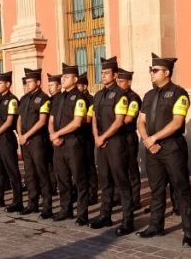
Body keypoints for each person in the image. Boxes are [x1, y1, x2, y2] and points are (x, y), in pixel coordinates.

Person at [136, 53, 191, 247]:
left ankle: (189, 232)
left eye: (155, 71)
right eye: (151, 70)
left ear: (167, 72)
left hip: (172, 147)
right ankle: (156, 225)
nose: (151, 74)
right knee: (156, 189)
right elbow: (141, 121)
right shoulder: (149, 95)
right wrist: (147, 140)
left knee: (181, 189)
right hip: (152, 149)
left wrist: (155, 138)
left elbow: (177, 122)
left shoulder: (179, 93)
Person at [89, 57, 131, 232]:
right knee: (105, 181)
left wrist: (103, 137)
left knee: (121, 182)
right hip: (101, 143)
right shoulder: (98, 95)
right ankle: (105, 215)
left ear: (115, 75)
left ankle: (128, 221)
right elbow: (93, 119)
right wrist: (97, 137)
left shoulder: (121, 95)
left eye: (106, 73)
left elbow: (119, 121)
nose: (103, 75)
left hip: (115, 143)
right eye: (102, 72)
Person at [49, 63, 88, 223]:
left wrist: (57, 134)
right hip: (58, 144)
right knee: (62, 178)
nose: (63, 79)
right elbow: (51, 120)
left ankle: (82, 214)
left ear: (75, 79)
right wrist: (53, 135)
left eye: (66, 77)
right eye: (62, 77)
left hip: (73, 143)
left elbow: (77, 122)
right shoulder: (58, 98)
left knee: (79, 179)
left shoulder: (80, 98)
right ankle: (66, 209)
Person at [17, 69, 51, 216]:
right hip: (25, 140)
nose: (27, 84)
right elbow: (19, 118)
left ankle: (47, 206)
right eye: (26, 82)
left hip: (37, 140)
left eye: (30, 81)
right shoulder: (24, 99)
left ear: (37, 82)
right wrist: (20, 135)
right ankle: (32, 203)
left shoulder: (44, 99)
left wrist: (27, 135)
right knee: (29, 174)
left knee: (41, 173)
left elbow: (42, 121)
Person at [0, 72, 22, 211]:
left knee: (12, 171)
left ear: (8, 84)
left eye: (0, 83)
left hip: (6, 138)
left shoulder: (12, 100)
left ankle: (17, 201)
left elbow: (9, 122)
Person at [115, 69, 142, 212]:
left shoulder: (134, 98)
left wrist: (113, 123)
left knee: (131, 168)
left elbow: (128, 119)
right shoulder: (117, 96)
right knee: (120, 168)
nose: (118, 84)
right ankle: (122, 196)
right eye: (117, 81)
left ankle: (136, 199)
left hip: (128, 136)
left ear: (129, 82)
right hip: (118, 136)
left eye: (121, 81)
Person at [77, 73, 98, 205]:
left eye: (79, 85)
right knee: (79, 166)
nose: (77, 87)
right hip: (77, 136)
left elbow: (88, 119)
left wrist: (76, 119)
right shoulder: (75, 98)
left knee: (89, 166)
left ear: (85, 86)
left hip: (87, 136)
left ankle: (92, 194)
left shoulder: (91, 100)